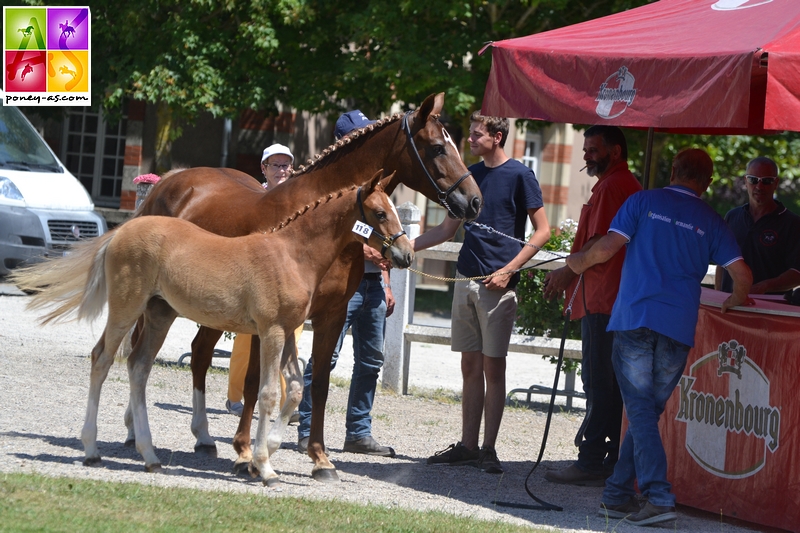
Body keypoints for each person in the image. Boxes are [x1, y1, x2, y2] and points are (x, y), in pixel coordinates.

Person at [565, 148, 752, 526]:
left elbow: (605, 248)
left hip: (635, 319)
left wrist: (576, 263)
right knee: (645, 414)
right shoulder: (713, 220)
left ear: (673, 171)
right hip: (678, 328)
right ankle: (617, 493)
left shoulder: (643, 201)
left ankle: (658, 496)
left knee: (640, 413)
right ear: (708, 182)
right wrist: (735, 299)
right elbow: (743, 275)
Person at [415, 112, 550, 474]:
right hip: (466, 280)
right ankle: (468, 446)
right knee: (469, 366)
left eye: (477, 134)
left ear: (498, 136)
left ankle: (489, 450)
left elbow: (542, 232)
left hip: (497, 287)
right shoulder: (469, 175)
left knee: (494, 368)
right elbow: (446, 229)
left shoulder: (521, 175)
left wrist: (508, 271)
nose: (471, 139)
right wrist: (405, 247)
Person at [542, 126, 641, 486]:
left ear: (615, 151)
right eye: (585, 150)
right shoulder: (617, 183)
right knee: (608, 383)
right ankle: (609, 459)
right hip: (607, 296)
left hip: (605, 298)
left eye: (593, 150)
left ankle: (591, 461)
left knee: (599, 382)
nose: (586, 156)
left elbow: (601, 244)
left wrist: (566, 271)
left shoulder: (615, 185)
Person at [295, 110, 397, 457]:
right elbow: (344, 229)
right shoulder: (332, 186)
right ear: (345, 140)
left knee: (371, 360)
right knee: (326, 357)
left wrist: (384, 279)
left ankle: (359, 431)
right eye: (360, 136)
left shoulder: (375, 185)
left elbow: (384, 233)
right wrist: (368, 248)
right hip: (340, 285)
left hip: (370, 284)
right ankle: (308, 428)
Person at [225, 143, 294, 416]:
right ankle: (234, 397)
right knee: (245, 341)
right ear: (263, 169)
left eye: (286, 165)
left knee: (289, 341)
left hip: (288, 281)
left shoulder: (298, 199)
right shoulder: (253, 199)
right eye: (275, 165)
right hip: (254, 281)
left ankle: (287, 400)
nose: (281, 170)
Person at [715, 156, 800, 295]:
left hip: (769, 310)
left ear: (776, 183)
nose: (759, 186)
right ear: (745, 181)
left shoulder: (792, 224)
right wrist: (718, 295)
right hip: (728, 308)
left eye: (767, 181)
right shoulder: (732, 217)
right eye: (753, 180)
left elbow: (797, 273)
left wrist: (765, 286)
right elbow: (721, 261)